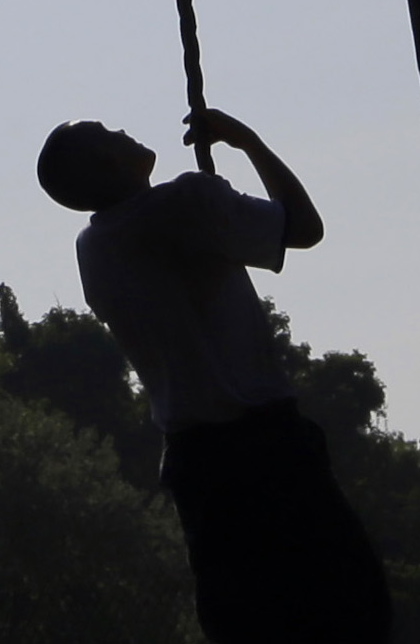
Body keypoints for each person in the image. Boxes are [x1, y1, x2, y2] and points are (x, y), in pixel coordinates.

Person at [39, 107, 393, 642]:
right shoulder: (187, 201)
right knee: (348, 607)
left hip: (195, 460)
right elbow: (303, 227)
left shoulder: (92, 249)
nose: (123, 130)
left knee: (247, 620)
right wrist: (245, 139)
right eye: (108, 133)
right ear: (106, 161)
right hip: (265, 445)